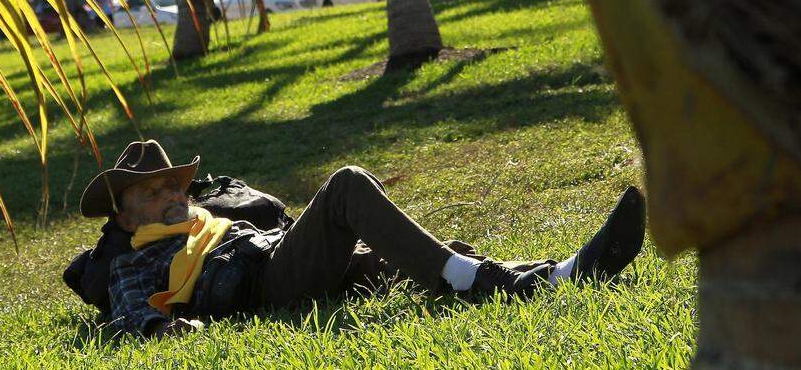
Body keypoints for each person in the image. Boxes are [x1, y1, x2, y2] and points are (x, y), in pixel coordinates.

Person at [79, 140, 646, 338]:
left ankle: (559, 274)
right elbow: (132, 313)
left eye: (175, 185)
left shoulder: (203, 222)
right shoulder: (135, 258)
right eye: (153, 194)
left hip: (280, 259)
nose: (174, 197)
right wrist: (167, 329)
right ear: (127, 218)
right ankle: (485, 280)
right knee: (348, 185)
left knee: (418, 261)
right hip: (266, 283)